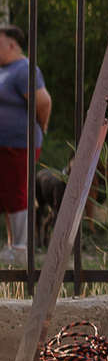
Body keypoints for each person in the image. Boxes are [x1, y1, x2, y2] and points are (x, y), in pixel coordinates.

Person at [0, 26, 51, 266]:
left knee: (17, 193)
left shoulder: (24, 70)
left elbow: (43, 101)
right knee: (7, 195)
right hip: (5, 146)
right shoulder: (5, 70)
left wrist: (41, 125)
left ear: (12, 45)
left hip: (20, 145)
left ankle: (21, 249)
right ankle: (12, 246)